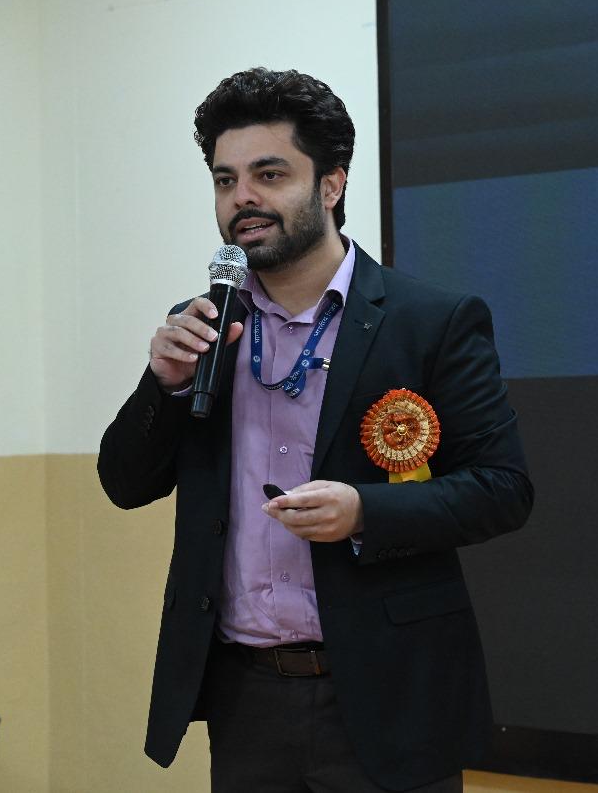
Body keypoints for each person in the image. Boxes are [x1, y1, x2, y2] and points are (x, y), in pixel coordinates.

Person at [98, 68, 533, 793]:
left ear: (331, 185)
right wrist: (164, 383)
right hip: (245, 696)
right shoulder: (204, 325)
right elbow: (123, 482)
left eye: (269, 174)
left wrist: (365, 511)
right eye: (226, 180)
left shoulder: (429, 322)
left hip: (388, 693)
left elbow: (502, 488)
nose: (242, 198)